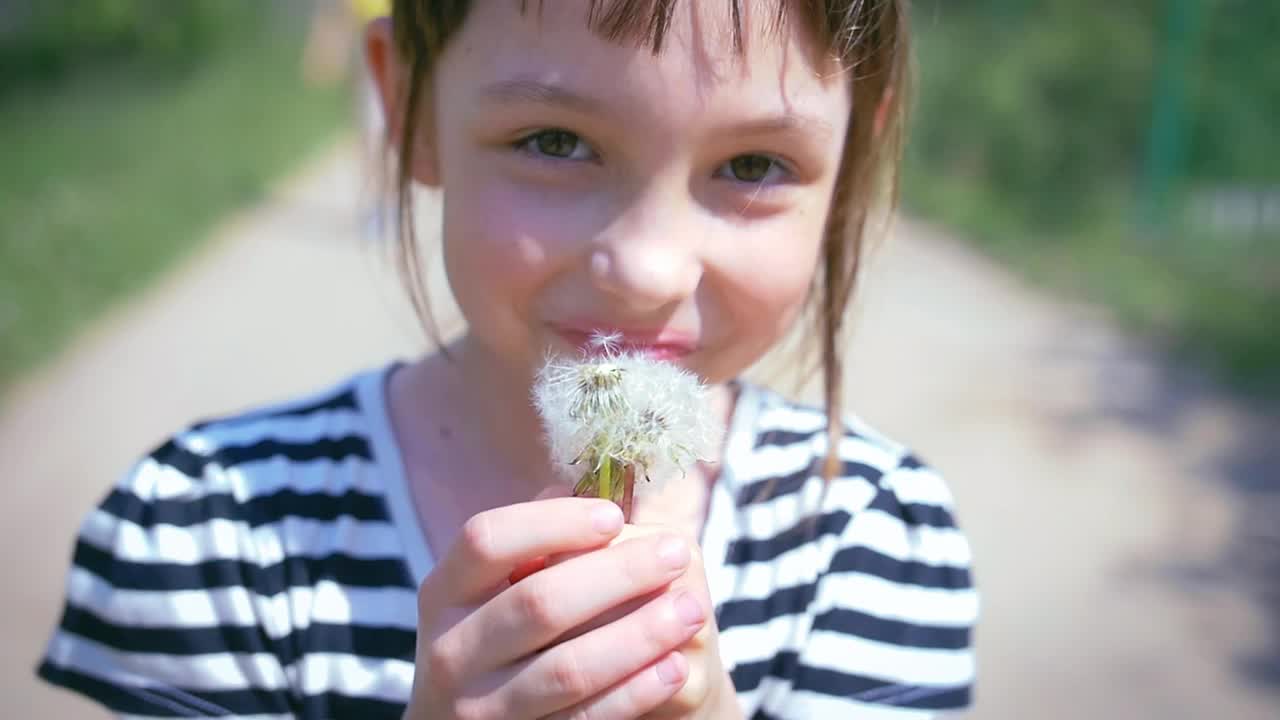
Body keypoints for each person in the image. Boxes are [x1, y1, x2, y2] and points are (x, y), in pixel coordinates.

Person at [36, 1, 978, 718]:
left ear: (858, 148)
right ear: (408, 105)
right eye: (555, 141)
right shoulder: (204, 538)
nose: (647, 271)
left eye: (754, 165)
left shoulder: (877, 545)